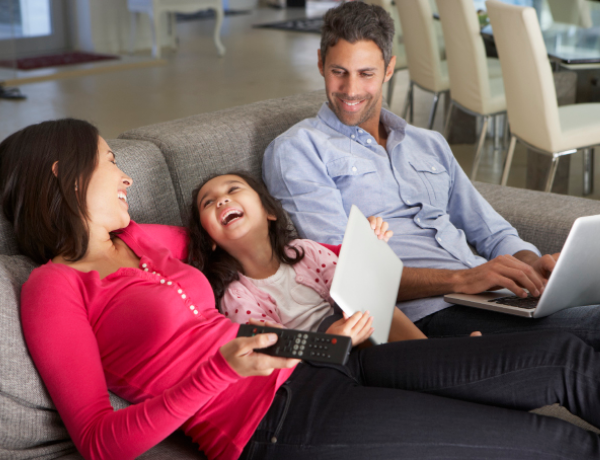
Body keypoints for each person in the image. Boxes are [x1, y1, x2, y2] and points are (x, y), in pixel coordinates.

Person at [5, 120, 600, 460]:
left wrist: (355, 248)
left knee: (564, 360)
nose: (128, 175)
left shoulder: (143, 239)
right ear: (65, 172)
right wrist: (219, 372)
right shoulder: (53, 288)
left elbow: (259, 239)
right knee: (551, 444)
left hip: (324, 355)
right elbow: (97, 441)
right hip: (274, 422)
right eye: (112, 161)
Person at [262, 1, 599, 345]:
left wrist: (534, 265)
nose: (350, 90)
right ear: (320, 62)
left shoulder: (428, 143)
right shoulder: (299, 149)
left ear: (389, 68)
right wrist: (463, 280)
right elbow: (344, 273)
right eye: (339, 72)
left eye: (366, 74)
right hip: (429, 313)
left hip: (494, 295)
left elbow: (494, 233)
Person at [187, 171, 427, 343]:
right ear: (210, 240)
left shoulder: (306, 251)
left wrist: (367, 247)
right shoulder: (235, 295)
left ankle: (429, 352)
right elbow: (273, 349)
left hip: (358, 329)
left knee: (371, 307)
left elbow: (353, 290)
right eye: (208, 202)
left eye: (233, 189)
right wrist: (330, 341)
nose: (222, 200)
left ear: (269, 211)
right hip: (321, 361)